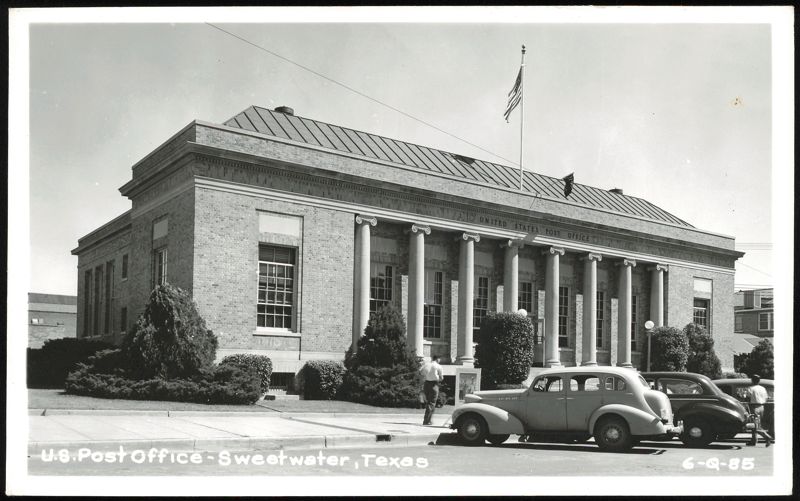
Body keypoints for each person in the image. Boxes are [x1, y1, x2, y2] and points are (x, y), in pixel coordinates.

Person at [747, 374, 773, 447]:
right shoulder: (762, 388)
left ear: (752, 380)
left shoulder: (750, 388)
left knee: (755, 425)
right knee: (757, 424)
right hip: (761, 407)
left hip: (754, 407)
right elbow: (766, 398)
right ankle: (754, 440)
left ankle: (767, 437)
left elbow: (748, 398)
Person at [422, 355, 443, 425]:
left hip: (426, 384)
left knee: (429, 403)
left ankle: (429, 420)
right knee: (432, 403)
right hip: (434, 384)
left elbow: (421, 373)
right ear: (438, 359)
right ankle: (426, 420)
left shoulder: (427, 364)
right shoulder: (438, 366)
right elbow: (441, 377)